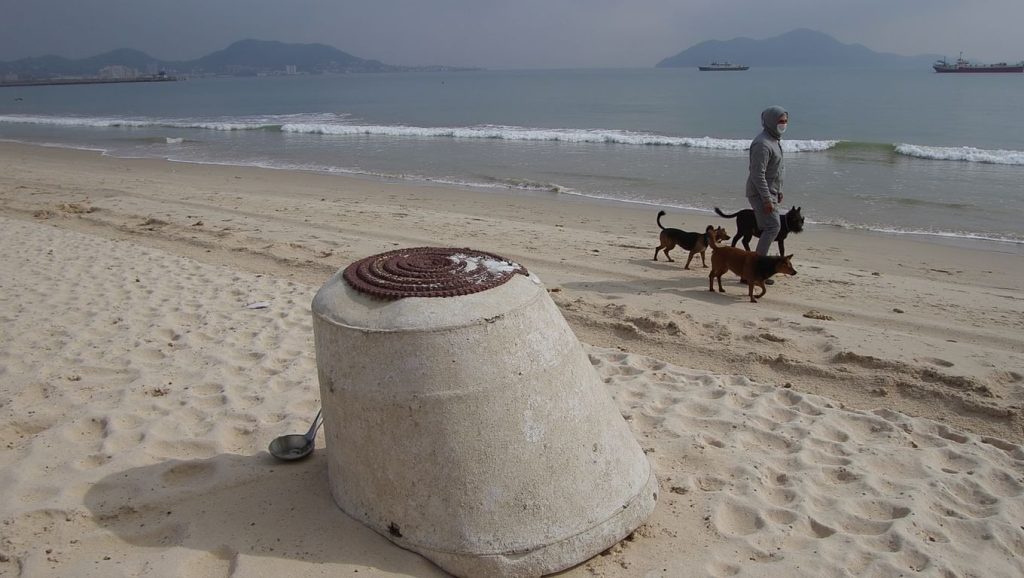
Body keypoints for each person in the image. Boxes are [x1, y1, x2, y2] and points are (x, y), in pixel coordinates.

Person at [746, 106, 788, 258]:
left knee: (770, 227)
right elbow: (757, 174)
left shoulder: (774, 140)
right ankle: (756, 265)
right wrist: (767, 199)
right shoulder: (762, 144)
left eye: (785, 121)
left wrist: (779, 190)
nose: (784, 124)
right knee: (773, 227)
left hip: (772, 192)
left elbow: (776, 169)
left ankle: (756, 263)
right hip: (761, 193)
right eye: (780, 121)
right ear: (771, 121)